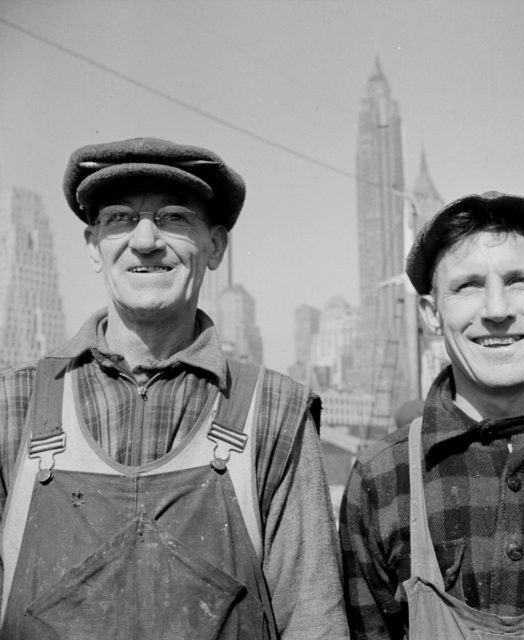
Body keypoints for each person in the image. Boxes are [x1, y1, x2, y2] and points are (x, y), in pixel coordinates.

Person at [0, 137, 348, 640]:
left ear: (216, 247)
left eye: (175, 218)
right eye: (119, 218)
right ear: (93, 247)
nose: (145, 241)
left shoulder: (274, 413)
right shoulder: (14, 409)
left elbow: (315, 623)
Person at [340, 191, 524, 639]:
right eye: (467, 286)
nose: (497, 310)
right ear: (432, 313)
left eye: (519, 281)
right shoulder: (380, 479)